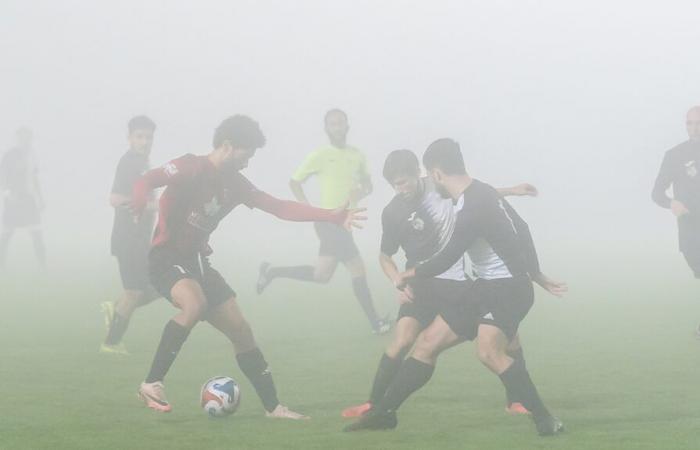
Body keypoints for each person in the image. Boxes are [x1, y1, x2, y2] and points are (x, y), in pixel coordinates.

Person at [132, 115, 365, 419]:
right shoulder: (191, 166)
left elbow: (278, 207)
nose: (248, 162)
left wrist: (331, 216)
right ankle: (152, 383)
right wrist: (138, 199)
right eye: (247, 154)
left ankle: (273, 408)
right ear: (228, 146)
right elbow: (147, 180)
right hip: (166, 258)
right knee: (194, 303)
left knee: (242, 331)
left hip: (197, 262)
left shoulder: (236, 185)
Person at [345, 139, 566, 436]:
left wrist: (406, 274)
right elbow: (522, 228)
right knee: (426, 344)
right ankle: (385, 413)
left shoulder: (472, 207)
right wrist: (537, 273)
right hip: (487, 287)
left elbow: (447, 256)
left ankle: (544, 419)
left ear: (435, 174)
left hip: (507, 290)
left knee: (489, 352)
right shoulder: (480, 192)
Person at [256, 109, 389, 334]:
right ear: (327, 129)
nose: (337, 127)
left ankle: (272, 271)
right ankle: (376, 323)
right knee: (357, 268)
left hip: (345, 221)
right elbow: (294, 182)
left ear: (347, 126)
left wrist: (357, 193)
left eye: (340, 123)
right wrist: (308, 209)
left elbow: (368, 186)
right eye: (332, 124)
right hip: (327, 221)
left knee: (322, 275)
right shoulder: (319, 155)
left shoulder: (357, 155)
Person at [101, 116, 160, 355]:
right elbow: (114, 198)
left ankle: (114, 308)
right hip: (128, 238)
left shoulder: (143, 163)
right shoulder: (128, 163)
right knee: (136, 292)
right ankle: (111, 343)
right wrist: (150, 204)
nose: (144, 141)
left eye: (148, 137)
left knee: (153, 288)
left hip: (140, 238)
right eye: (139, 136)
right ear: (129, 138)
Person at [652, 106, 700, 334]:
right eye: (690, 123)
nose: (694, 127)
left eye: (698, 122)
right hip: (690, 232)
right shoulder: (675, 155)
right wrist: (672, 203)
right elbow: (657, 193)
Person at [0, 127, 45, 269]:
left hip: (29, 200)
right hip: (13, 199)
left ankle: (42, 267)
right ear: (18, 138)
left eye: (29, 138)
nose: (26, 141)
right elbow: (3, 177)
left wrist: (40, 198)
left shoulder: (32, 155)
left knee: (37, 233)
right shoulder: (9, 155)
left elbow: (34, 177)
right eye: (23, 137)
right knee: (7, 234)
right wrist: (8, 193)